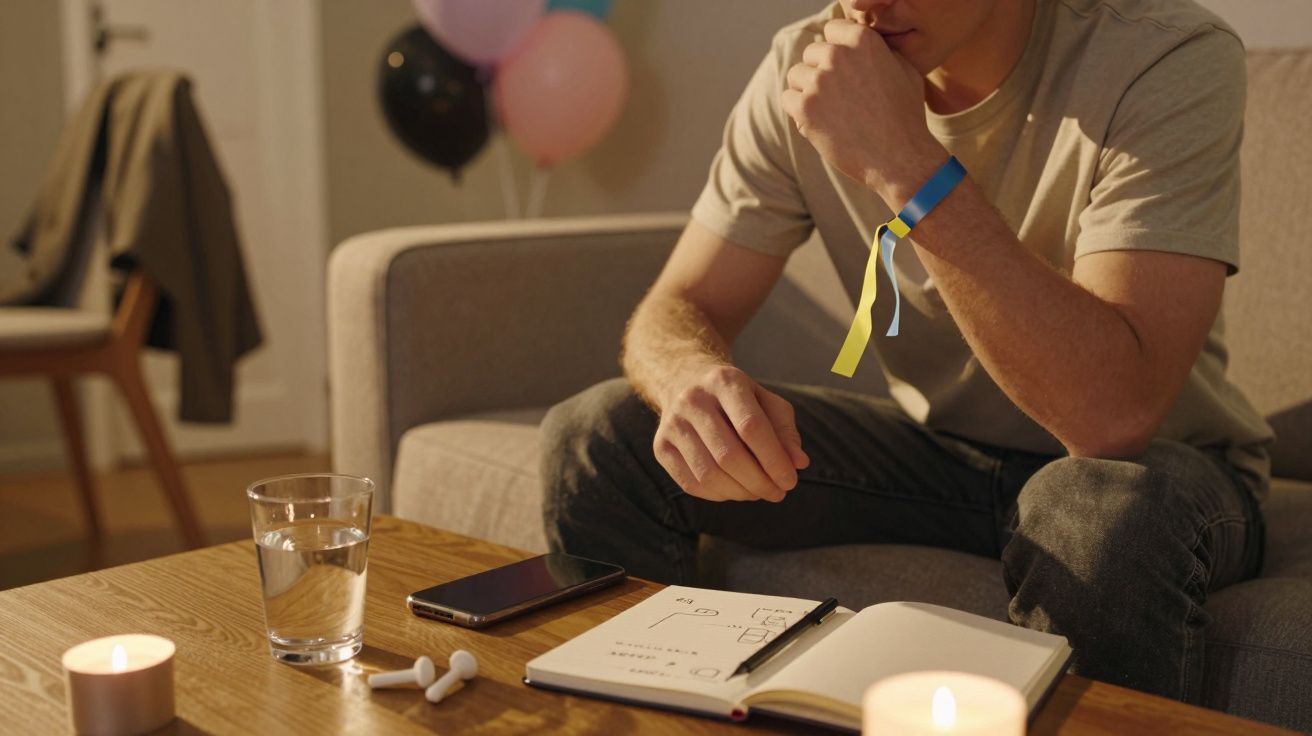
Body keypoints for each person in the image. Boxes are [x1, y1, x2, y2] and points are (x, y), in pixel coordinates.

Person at [541, 0, 1272, 703]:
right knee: (600, 435)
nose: (862, 3)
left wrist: (903, 162)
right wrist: (689, 378)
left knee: (1094, 508)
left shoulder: (1162, 55)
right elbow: (678, 308)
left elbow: (1112, 417)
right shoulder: (806, 65)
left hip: (1150, 471)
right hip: (944, 458)